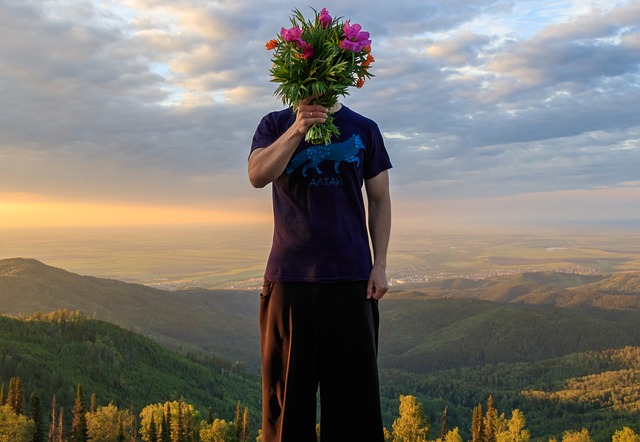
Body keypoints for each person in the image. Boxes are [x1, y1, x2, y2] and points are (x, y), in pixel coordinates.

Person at [248, 97, 392, 442]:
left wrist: (380, 264)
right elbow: (257, 175)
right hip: (289, 282)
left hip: (352, 281)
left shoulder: (364, 129)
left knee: (354, 412)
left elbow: (380, 199)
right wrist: (298, 128)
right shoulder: (274, 124)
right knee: (286, 412)